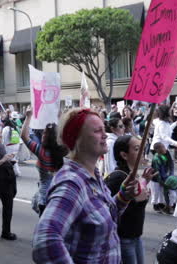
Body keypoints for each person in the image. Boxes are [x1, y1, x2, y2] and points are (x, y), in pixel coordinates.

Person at [32, 108, 144, 263]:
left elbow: (106, 218)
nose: (105, 135)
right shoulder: (72, 183)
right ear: (77, 139)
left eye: (104, 129)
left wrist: (123, 196)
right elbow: (44, 241)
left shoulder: (94, 175)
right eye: (98, 131)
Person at [105, 135, 155, 264]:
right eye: (137, 149)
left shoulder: (132, 175)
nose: (142, 152)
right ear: (124, 155)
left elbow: (135, 199)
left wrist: (144, 181)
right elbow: (107, 209)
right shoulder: (118, 177)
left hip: (135, 237)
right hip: (124, 238)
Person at [21, 107, 66, 215]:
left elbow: (24, 136)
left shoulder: (42, 152)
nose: (42, 134)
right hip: (60, 195)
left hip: (45, 197)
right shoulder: (64, 150)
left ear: (49, 137)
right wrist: (61, 119)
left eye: (45, 133)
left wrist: (28, 117)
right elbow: (65, 135)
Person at [151, 142, 177, 214]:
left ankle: (167, 205)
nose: (164, 148)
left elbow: (171, 165)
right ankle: (156, 205)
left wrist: (171, 175)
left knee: (165, 192)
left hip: (165, 177)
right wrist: (162, 182)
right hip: (156, 179)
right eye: (162, 147)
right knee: (156, 192)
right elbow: (157, 172)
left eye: (164, 147)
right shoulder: (156, 159)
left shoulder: (166, 153)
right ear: (157, 149)